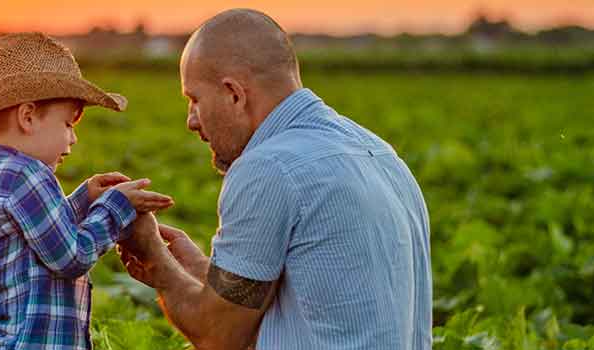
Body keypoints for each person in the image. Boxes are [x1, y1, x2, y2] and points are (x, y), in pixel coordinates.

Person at [117, 9, 433, 350]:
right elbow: (308, 306)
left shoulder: (268, 167)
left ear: (234, 94)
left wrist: (152, 255)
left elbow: (219, 334)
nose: (191, 121)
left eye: (194, 100)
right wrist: (195, 268)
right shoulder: (381, 154)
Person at [0, 32, 174, 350]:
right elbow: (72, 256)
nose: (72, 140)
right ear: (28, 117)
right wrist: (115, 207)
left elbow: (31, 237)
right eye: (68, 125)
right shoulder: (27, 175)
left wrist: (84, 200)